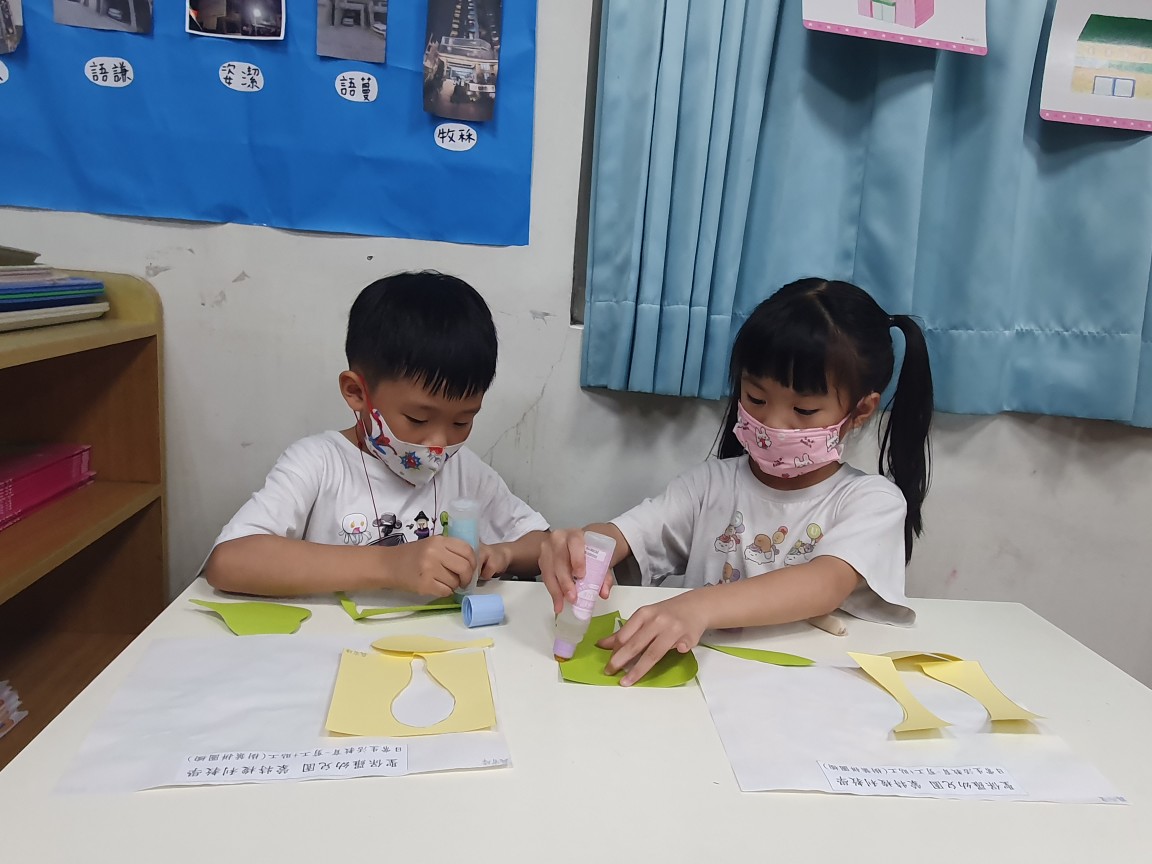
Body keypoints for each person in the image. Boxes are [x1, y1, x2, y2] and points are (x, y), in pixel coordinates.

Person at [540, 278, 933, 684]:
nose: (773, 422)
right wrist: (581, 547)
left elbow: (825, 584)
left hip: (812, 690)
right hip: (705, 689)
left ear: (861, 411)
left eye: (803, 410)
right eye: (756, 398)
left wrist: (697, 606)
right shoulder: (710, 486)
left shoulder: (871, 501)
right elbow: (626, 535)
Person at [204, 272, 549, 597]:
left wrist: (502, 553)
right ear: (356, 392)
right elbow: (229, 561)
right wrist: (390, 564)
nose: (439, 445)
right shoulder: (319, 463)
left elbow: (542, 543)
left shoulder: (464, 472)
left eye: (462, 422)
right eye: (417, 419)